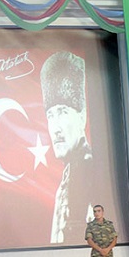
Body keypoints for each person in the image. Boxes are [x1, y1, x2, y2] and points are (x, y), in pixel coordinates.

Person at [42, 51, 95, 244]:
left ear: (82, 116)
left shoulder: (89, 170)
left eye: (62, 112)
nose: (55, 128)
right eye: (50, 115)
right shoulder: (70, 171)